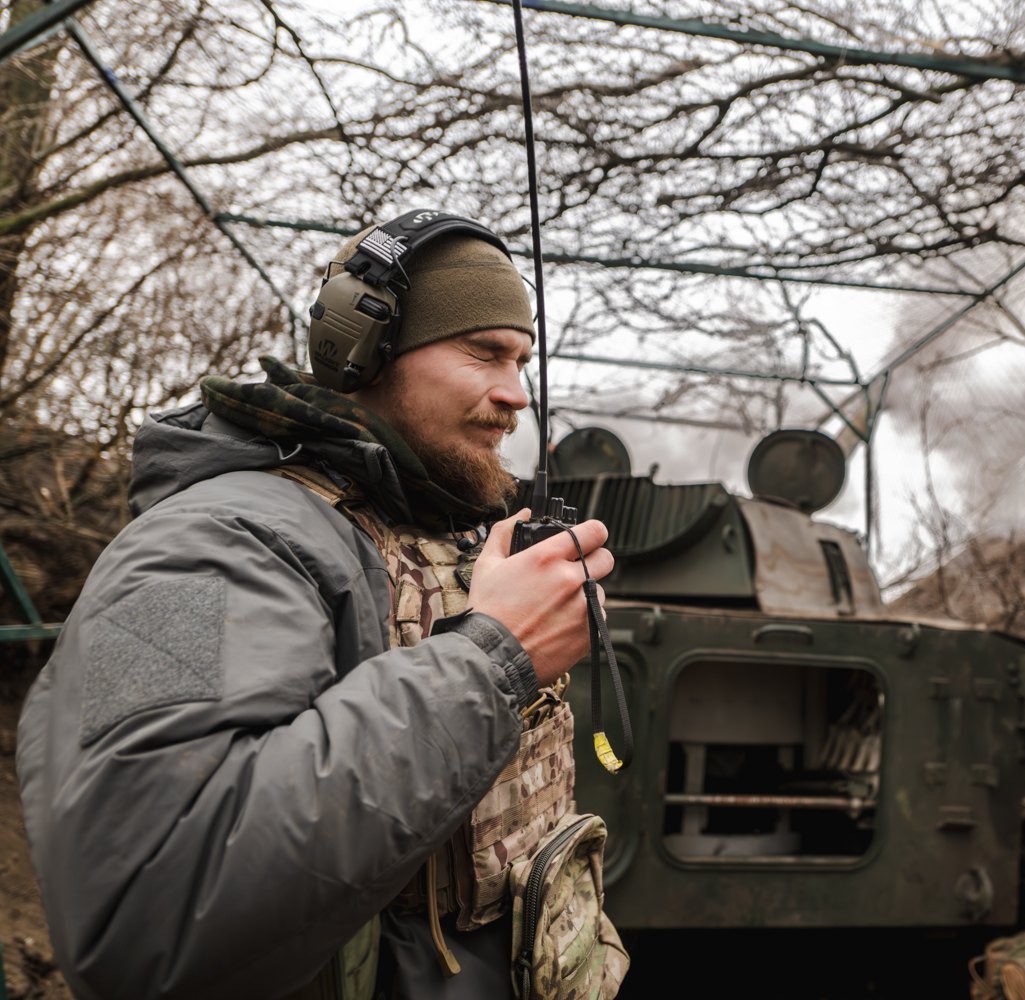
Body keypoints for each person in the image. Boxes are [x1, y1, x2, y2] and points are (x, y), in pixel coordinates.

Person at [17, 214, 614, 999]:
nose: (515, 394)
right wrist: (492, 658)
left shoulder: (417, 529)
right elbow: (144, 915)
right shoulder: (200, 550)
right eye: (484, 353)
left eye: (523, 360)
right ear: (361, 349)